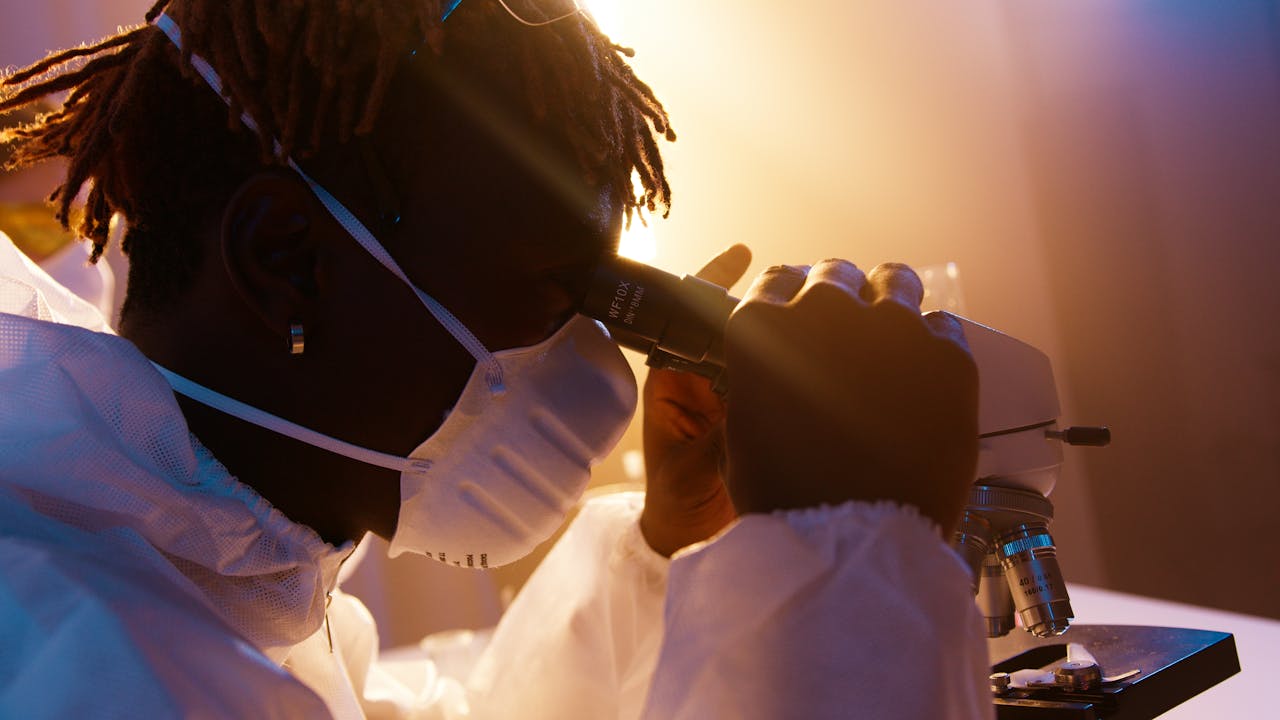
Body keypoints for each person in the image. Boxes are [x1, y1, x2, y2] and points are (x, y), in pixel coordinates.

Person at [0, 1, 991, 718]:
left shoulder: (199, 572)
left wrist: (665, 555)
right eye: (554, 287)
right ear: (284, 259)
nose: (594, 362)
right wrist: (848, 562)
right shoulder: (87, 675)